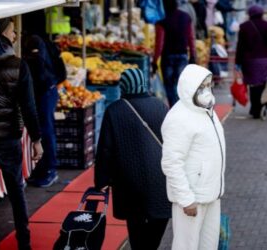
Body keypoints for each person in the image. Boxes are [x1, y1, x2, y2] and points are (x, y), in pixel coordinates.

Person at [94, 68, 171, 250]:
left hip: (130, 183)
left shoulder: (114, 110)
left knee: (136, 234)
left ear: (124, 86)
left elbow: (106, 149)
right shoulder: (161, 106)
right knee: (155, 231)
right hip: (160, 179)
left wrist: (102, 180)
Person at [161, 64, 226, 249]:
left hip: (211, 194)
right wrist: (186, 199)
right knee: (186, 246)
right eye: (202, 86)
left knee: (209, 245)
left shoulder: (207, 111)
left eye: (208, 85)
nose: (207, 90)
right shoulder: (179, 118)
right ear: (190, 88)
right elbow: (172, 163)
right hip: (192, 198)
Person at [0, 19, 43, 250]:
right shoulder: (18, 65)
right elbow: (29, 107)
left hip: (7, 136)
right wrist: (36, 140)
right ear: (4, 32)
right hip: (8, 137)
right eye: (13, 31)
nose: (15, 36)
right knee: (16, 190)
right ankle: (24, 242)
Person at [22, 26, 66, 187]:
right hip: (46, 89)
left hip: (44, 91)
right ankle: (42, 170)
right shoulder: (38, 39)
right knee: (43, 130)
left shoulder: (34, 41)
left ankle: (49, 170)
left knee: (45, 130)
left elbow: (39, 70)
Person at [235, 4, 267, 119]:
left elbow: (240, 46)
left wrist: (238, 62)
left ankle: (254, 109)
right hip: (264, 61)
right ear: (262, 14)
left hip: (249, 62)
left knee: (253, 85)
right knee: (262, 84)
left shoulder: (244, 26)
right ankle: (261, 107)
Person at [153, 0, 197, 107]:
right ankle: (180, 107)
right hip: (182, 55)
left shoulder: (162, 22)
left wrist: (154, 61)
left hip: (167, 57)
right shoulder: (186, 18)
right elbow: (191, 37)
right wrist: (193, 55)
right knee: (180, 85)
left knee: (169, 85)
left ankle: (174, 107)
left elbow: (159, 44)